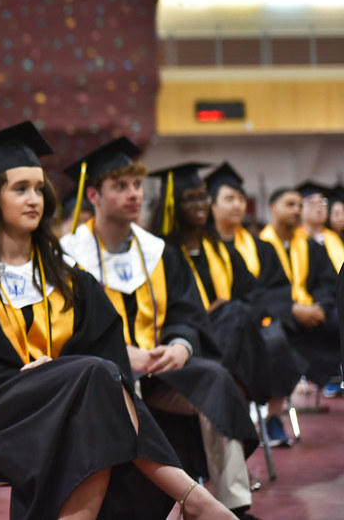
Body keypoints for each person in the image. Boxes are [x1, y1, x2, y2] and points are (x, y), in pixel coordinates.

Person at [0, 122, 233, 520]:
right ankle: (194, 499)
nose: (34, 199)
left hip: (72, 404)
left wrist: (58, 373)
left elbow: (107, 350)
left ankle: (187, 502)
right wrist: (43, 376)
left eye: (39, 188)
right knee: (94, 381)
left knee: (96, 391)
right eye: (20, 189)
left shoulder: (66, 273)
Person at [59, 137, 259, 520]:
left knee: (215, 380)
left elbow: (187, 313)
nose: (134, 194)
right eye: (121, 186)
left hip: (160, 371)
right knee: (113, 380)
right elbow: (65, 328)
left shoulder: (158, 252)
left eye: (137, 185)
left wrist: (181, 345)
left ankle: (233, 504)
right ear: (94, 195)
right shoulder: (68, 257)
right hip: (105, 376)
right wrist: (120, 354)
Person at [147, 163, 272, 405]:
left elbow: (253, 294)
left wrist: (223, 309)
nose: (200, 204)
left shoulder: (221, 251)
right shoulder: (159, 255)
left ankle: (227, 398)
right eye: (190, 199)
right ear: (172, 205)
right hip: (184, 339)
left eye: (203, 197)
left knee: (243, 317)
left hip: (227, 332)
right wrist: (203, 315)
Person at [205, 163, 303, 446]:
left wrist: (252, 313)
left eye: (240, 199)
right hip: (213, 327)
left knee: (277, 340)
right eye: (229, 199)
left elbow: (274, 290)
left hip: (257, 320)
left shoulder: (261, 248)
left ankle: (272, 418)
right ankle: (234, 417)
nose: (238, 205)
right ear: (211, 205)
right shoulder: (201, 248)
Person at [259, 187, 341, 398]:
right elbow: (259, 290)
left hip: (313, 313)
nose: (296, 210)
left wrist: (321, 307)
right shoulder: (259, 247)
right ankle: (275, 410)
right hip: (277, 317)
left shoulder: (309, 246)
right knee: (275, 340)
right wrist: (292, 310)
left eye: (299, 206)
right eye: (290, 205)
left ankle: (335, 379)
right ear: (273, 208)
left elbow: (326, 282)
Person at [297, 181, 344, 273]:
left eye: (322, 202)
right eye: (311, 203)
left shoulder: (336, 238)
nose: (319, 208)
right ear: (300, 209)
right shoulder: (294, 241)